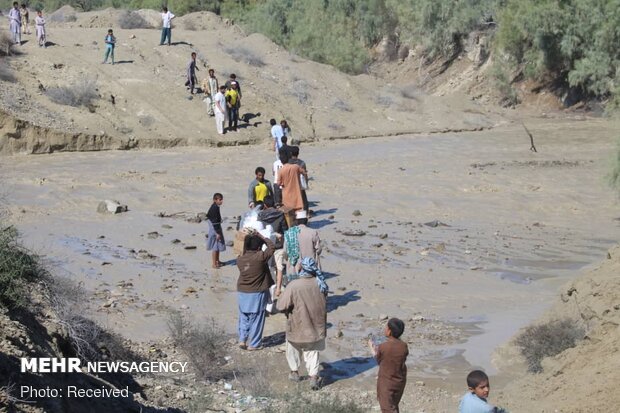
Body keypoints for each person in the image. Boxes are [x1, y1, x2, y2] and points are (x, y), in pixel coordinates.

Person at [277, 257, 327, 391]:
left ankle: (294, 372)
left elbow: (281, 305)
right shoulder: (321, 284)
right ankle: (313, 377)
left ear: (301, 268)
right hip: (316, 327)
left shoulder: (294, 285)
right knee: (312, 352)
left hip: (297, 325)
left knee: (293, 347)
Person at [236, 232, 275, 350]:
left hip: (242, 290)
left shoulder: (240, 259)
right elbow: (272, 247)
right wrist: (262, 237)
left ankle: (242, 339)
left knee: (244, 316)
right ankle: (254, 343)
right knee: (257, 317)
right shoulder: (260, 257)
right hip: (257, 292)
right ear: (258, 247)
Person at [368, 318, 409, 413]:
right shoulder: (403, 346)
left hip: (387, 383)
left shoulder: (384, 346)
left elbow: (379, 360)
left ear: (389, 331)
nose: (384, 328)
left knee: (387, 409)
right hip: (400, 381)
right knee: (393, 406)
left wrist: (371, 347)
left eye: (386, 327)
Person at [258, 196, 288, 297]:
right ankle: (278, 289)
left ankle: (267, 287)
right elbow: (285, 229)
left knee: (266, 267)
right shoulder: (280, 214)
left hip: (265, 244)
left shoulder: (260, 215)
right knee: (279, 267)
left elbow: (258, 230)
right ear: (274, 204)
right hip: (278, 244)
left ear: (265, 205)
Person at [206, 193, 226, 269]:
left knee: (218, 244)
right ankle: (214, 264)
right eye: (220, 199)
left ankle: (217, 261)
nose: (221, 201)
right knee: (215, 246)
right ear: (215, 200)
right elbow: (214, 222)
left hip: (216, 226)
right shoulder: (214, 208)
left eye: (221, 199)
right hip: (214, 228)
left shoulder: (215, 206)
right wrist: (217, 233)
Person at [288, 146, 309, 216]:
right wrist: (306, 183)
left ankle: (293, 214)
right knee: (303, 199)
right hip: (300, 184)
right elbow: (305, 174)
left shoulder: (288, 162)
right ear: (298, 153)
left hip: (291, 184)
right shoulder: (302, 163)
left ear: (290, 153)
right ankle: (306, 214)